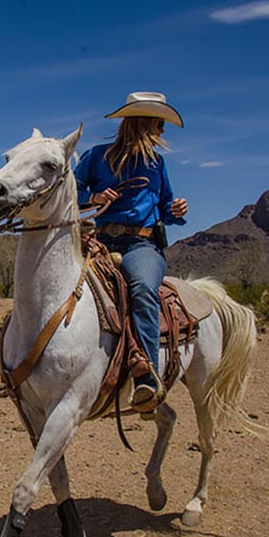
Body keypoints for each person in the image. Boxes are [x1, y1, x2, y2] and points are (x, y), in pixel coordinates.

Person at [74, 91, 188, 413]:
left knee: (141, 289)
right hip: (100, 240)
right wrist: (94, 199)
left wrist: (176, 209)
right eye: (158, 124)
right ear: (143, 124)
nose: (162, 132)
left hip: (141, 244)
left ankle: (147, 379)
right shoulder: (96, 156)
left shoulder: (156, 164)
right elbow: (71, 190)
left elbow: (165, 207)